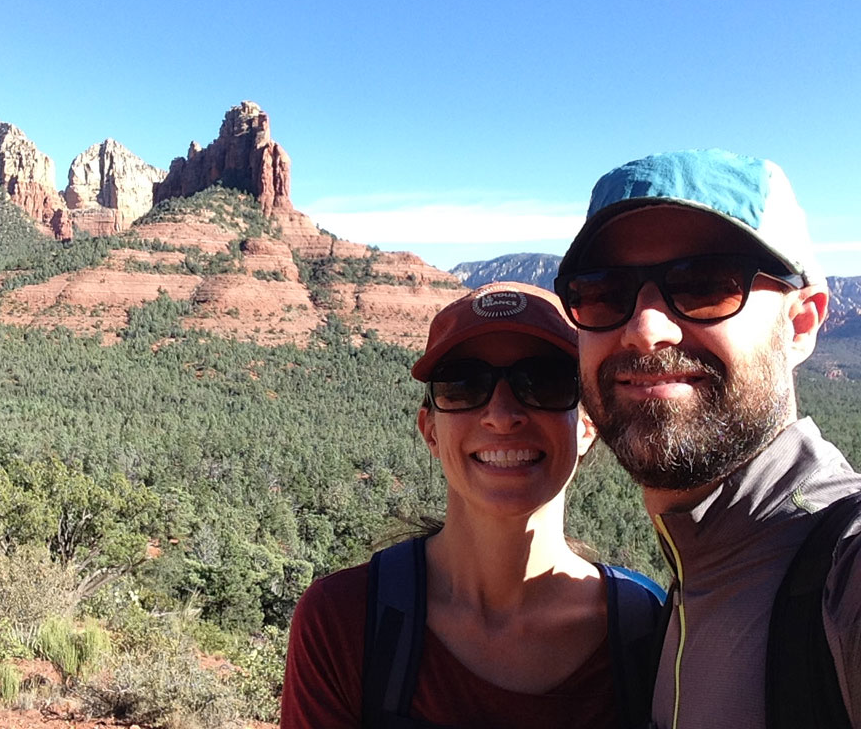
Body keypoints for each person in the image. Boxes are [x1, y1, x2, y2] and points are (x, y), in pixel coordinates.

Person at [553, 148, 861, 729]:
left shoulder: (843, 570)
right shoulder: (683, 591)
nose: (645, 330)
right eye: (602, 292)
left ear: (801, 324)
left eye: (704, 285)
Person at [280, 282, 663, 729]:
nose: (501, 415)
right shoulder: (345, 622)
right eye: (464, 385)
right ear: (431, 431)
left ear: (586, 425)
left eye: (543, 381)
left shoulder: (648, 628)